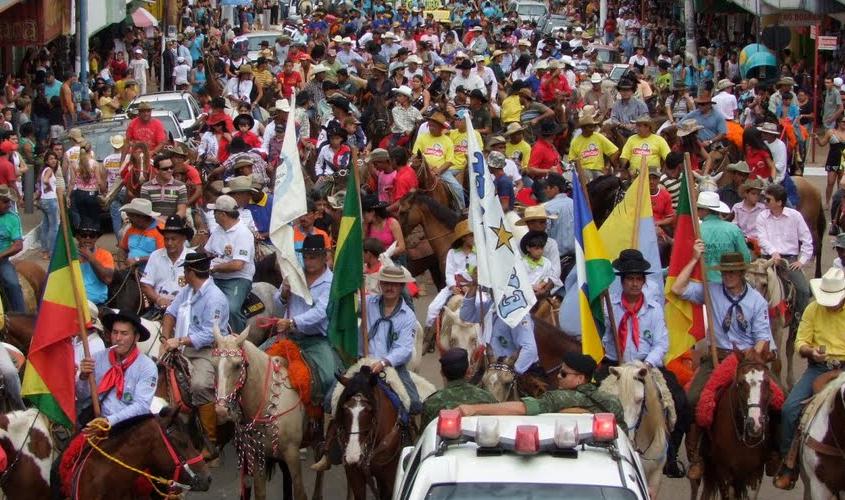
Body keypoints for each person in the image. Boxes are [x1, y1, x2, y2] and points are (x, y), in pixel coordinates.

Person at [671, 244, 774, 480]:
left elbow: (762, 338)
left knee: (779, 399)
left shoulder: (757, 301)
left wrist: (751, 360)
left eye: (733, 272)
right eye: (725, 272)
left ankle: (775, 453)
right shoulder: (711, 290)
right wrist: (694, 259)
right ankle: (696, 456)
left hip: (748, 358)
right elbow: (678, 288)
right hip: (718, 355)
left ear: (741, 274)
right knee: (692, 399)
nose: (728, 276)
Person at [775, 267, 845, 488]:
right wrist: (810, 351)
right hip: (819, 368)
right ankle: (789, 462)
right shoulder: (813, 309)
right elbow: (800, 342)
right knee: (789, 409)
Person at [160, 253, 229, 461]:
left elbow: (210, 333)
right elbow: (170, 313)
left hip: (206, 350)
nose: (183, 274)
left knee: (199, 385)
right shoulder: (187, 292)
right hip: (179, 347)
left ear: (191, 272)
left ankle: (211, 443)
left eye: (185, 271)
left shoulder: (215, 298)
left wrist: (179, 341)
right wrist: (165, 339)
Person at [456, 352, 625, 427]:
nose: (558, 376)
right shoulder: (612, 402)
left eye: (564, 374)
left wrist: (473, 408)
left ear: (580, 378)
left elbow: (521, 408)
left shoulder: (558, 399)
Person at [77, 310, 157, 430]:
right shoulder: (97, 358)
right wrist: (83, 377)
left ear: (136, 337)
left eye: (124, 333)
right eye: (115, 332)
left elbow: (141, 406)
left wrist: (109, 421)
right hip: (92, 422)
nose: (118, 338)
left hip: (125, 428)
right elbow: (82, 397)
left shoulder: (147, 367)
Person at [460, 270, 538, 375]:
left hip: (510, 373)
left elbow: (530, 349)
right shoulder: (491, 305)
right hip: (491, 367)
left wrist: (510, 373)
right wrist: (474, 286)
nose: (487, 289)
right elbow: (466, 315)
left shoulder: (517, 313)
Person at [756, 183, 813, 316]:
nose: (765, 202)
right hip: (767, 259)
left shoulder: (795, 216)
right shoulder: (762, 216)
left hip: (788, 260)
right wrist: (773, 252)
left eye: (768, 199)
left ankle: (799, 321)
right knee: (750, 283)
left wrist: (801, 261)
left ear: (779, 202)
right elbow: (762, 239)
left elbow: (807, 240)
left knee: (803, 290)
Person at [204, 194, 255, 332]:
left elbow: (238, 265)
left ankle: (237, 342)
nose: (213, 215)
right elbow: (207, 251)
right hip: (216, 278)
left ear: (223, 214)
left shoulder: (243, 233)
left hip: (238, 279)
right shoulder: (218, 231)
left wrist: (214, 268)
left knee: (231, 309)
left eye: (215, 212)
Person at [421, 347, 496, 428]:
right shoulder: (487, 398)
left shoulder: (432, 403)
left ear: (442, 373)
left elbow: (425, 436)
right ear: (469, 371)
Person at [140, 216, 192, 316]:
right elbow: (146, 285)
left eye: (173, 239)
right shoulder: (155, 255)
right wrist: (158, 299)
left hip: (185, 311)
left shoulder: (192, 257)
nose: (169, 243)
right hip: (159, 310)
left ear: (183, 238)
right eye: (166, 239)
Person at [412, 112, 462, 210]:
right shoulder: (422, 137)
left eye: (433, 126)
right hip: (423, 169)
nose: (430, 128)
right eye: (430, 125)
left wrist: (437, 171)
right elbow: (415, 155)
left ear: (441, 127)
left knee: (457, 187)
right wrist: (429, 167)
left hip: (442, 171)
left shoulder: (447, 141)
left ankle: (461, 209)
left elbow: (449, 161)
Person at [698, 191, 750, 283]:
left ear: (704, 210)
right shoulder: (733, 229)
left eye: (698, 209)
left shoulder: (696, 230)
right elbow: (745, 259)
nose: (697, 212)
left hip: (704, 284)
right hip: (731, 283)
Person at [568, 111, 619, 180]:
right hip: (584, 170)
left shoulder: (598, 136)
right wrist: (579, 171)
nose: (593, 129)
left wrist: (607, 167)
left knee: (609, 181)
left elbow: (615, 152)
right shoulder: (575, 141)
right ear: (583, 128)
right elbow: (571, 160)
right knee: (587, 176)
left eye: (593, 127)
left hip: (599, 169)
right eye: (590, 127)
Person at [119, 198, 164, 268]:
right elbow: (122, 248)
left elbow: (163, 256)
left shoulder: (160, 230)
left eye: (131, 216)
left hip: (152, 271)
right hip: (130, 270)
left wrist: (138, 259)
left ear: (141, 217)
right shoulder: (131, 229)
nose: (129, 219)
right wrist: (121, 265)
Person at [140, 153, 188, 219]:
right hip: (153, 225)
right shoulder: (146, 187)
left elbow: (182, 211)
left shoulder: (181, 186)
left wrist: (169, 221)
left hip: (173, 224)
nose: (170, 170)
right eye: (165, 169)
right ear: (156, 170)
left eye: (171, 167)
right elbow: (146, 211)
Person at [543, 173, 574, 270]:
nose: (545, 191)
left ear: (555, 188)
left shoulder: (548, 207)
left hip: (556, 260)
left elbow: (545, 233)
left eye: (547, 187)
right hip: (577, 257)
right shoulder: (575, 204)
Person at [0, 186, 23, 312]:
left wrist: (1, 255)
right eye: (5, 201)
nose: (9, 205)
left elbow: (18, 245)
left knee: (13, 284)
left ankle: (21, 317)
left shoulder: (12, 218)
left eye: (9, 202)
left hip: (2, 261)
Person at [813, 116, 845, 208]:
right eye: (843, 121)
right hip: (832, 159)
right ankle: (827, 202)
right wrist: (817, 138)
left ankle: (840, 203)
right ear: (838, 122)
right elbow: (822, 144)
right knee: (830, 182)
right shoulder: (831, 132)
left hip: (843, 161)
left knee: (841, 183)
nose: (844, 123)